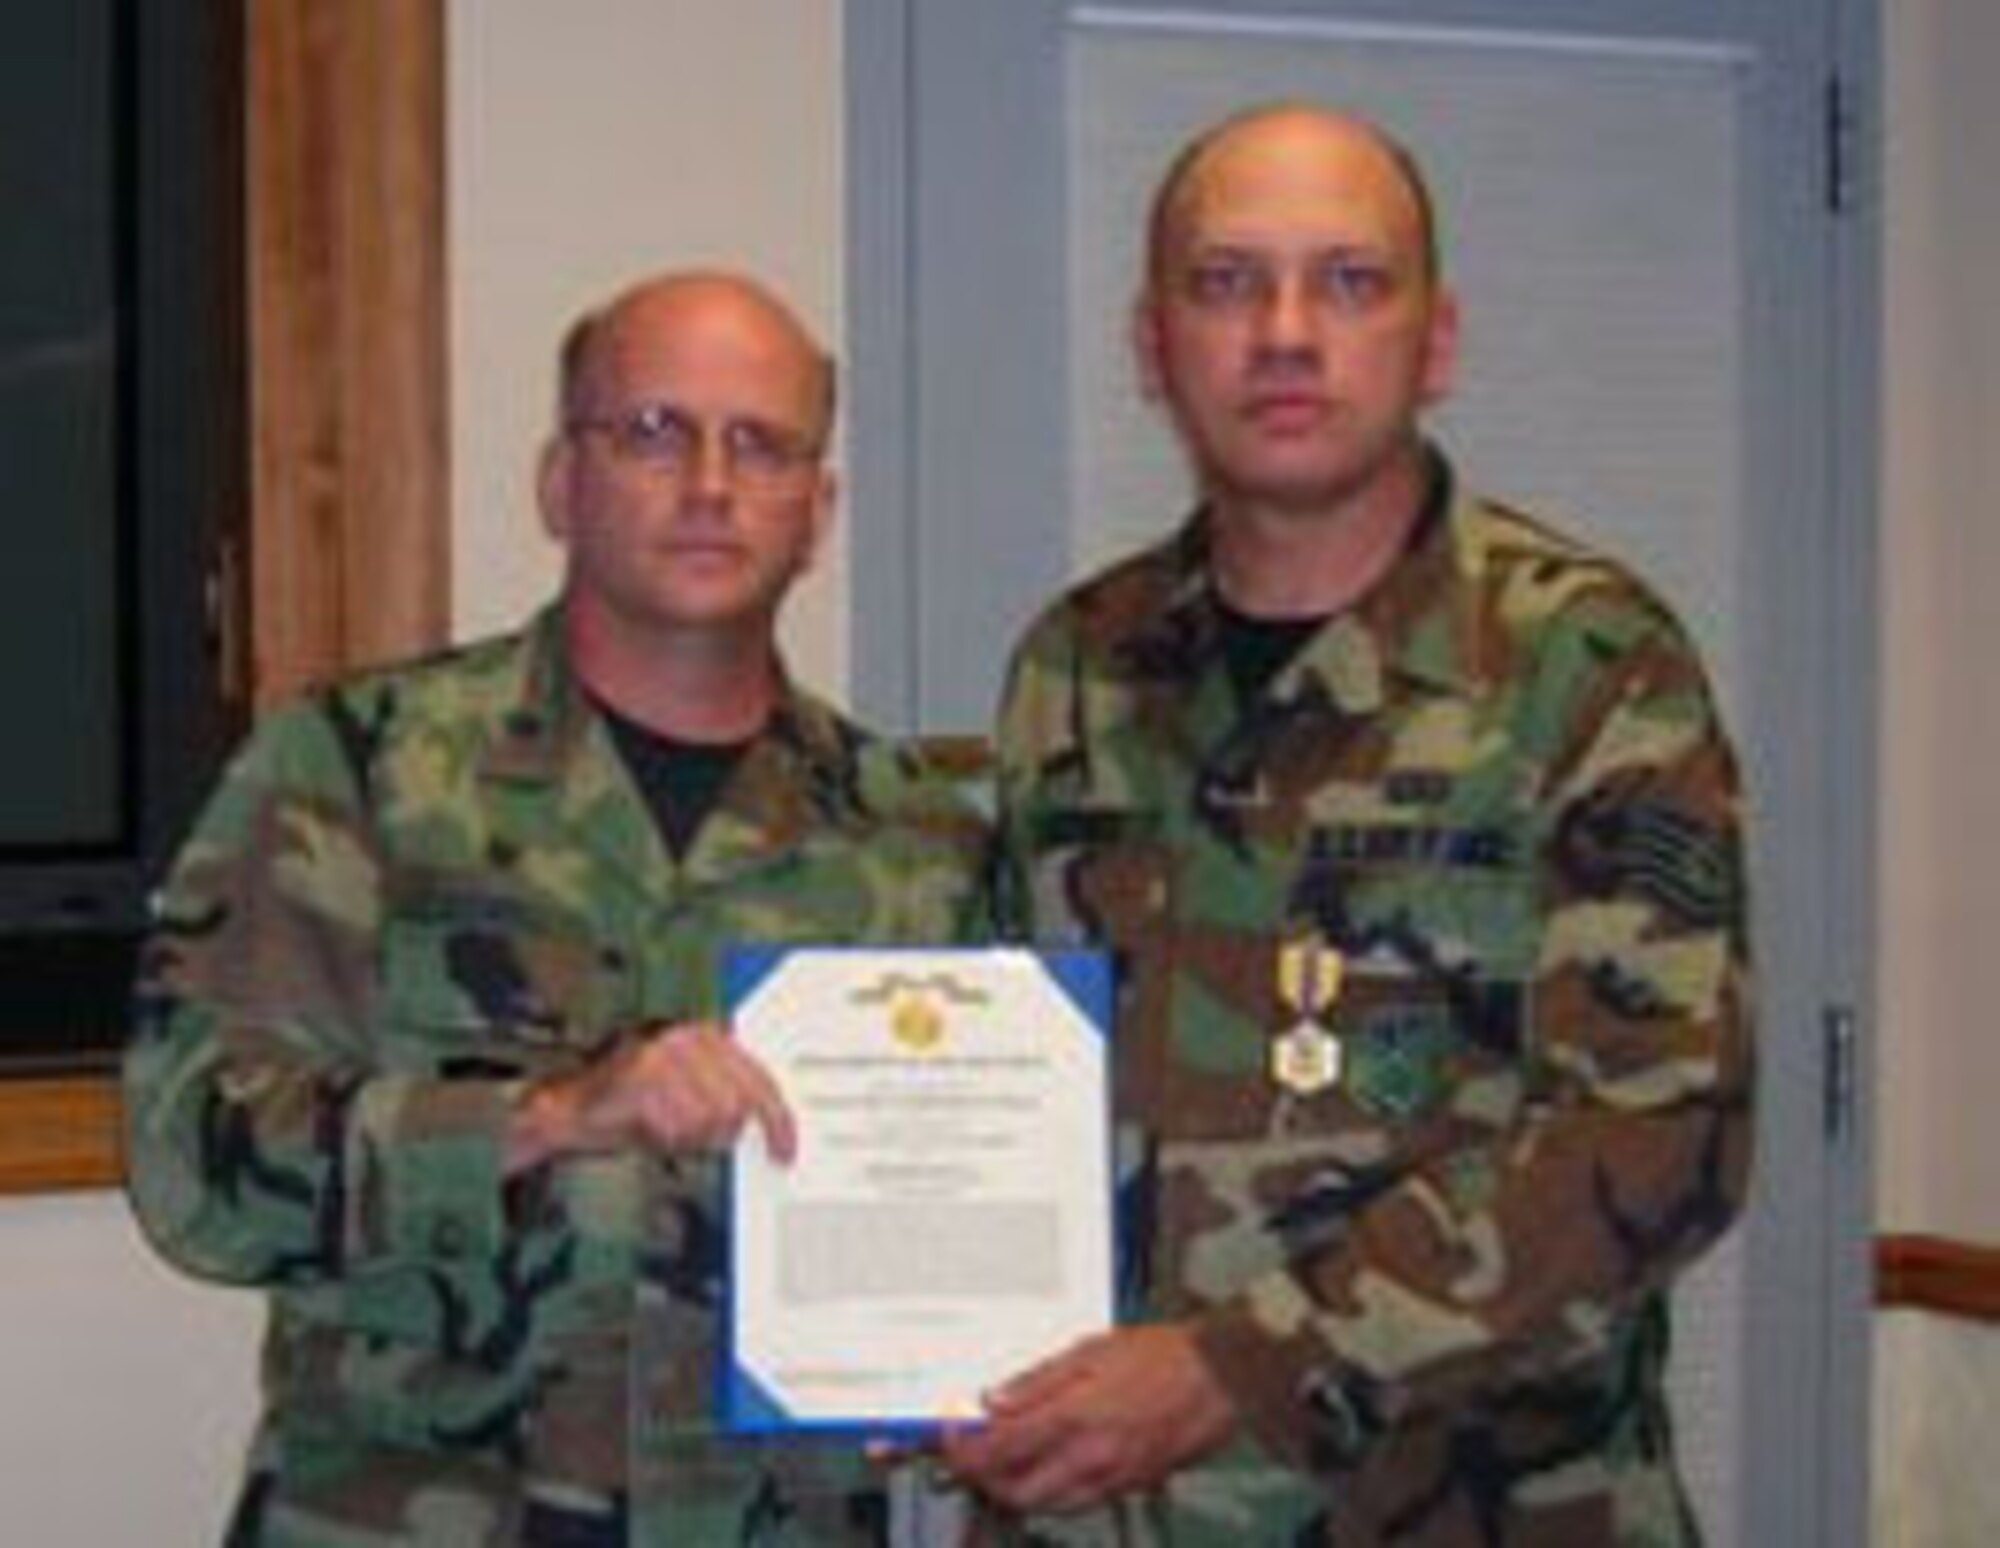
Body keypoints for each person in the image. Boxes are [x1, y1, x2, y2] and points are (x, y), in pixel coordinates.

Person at [954, 103, 1754, 1544]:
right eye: (1226, 281)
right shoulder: (1071, 667)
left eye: (1349, 280)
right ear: (1153, 348)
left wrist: (1235, 1368)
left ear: (1435, 341)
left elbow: (1660, 1135)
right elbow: (1013, 1083)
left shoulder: (1586, 664)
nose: (1282, 330)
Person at [123, 272, 985, 1544]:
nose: (707, 482)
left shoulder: (920, 838)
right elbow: (188, 1163)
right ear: (557, 483)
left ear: (817, 511)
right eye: (651, 432)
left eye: (761, 444)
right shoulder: (356, 770)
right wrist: (546, 1118)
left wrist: (962, 1353)